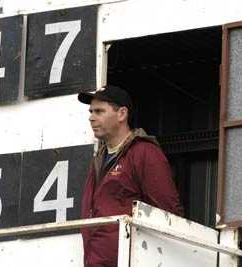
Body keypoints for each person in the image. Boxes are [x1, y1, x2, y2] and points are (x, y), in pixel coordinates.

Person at [78, 85, 184, 267]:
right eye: (91, 111)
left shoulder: (144, 152)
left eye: (99, 111)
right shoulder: (99, 159)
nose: (91, 117)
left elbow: (168, 213)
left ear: (122, 114)